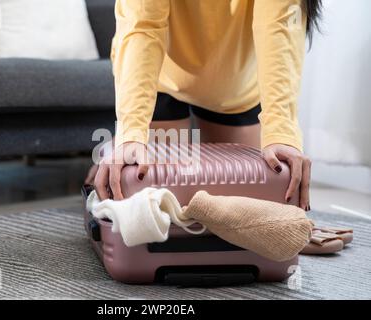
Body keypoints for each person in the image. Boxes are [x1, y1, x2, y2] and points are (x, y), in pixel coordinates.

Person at [89, 0, 322, 211]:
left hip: (235, 85)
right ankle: (112, 147)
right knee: (151, 196)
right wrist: (131, 134)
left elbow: (278, 27)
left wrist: (281, 134)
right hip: (160, 77)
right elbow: (142, 26)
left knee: (249, 202)